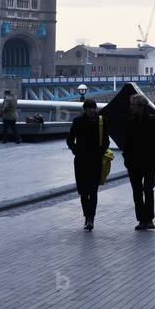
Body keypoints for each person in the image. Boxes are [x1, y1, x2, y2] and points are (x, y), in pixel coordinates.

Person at [122, 94, 155, 230]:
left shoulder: (154, 121)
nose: (131, 107)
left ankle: (149, 219)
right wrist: (127, 159)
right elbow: (126, 144)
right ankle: (142, 219)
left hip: (150, 162)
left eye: (133, 105)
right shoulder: (129, 122)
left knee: (148, 189)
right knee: (137, 192)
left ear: (141, 107)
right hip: (134, 163)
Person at [66, 99, 109, 231]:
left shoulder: (101, 121)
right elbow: (70, 139)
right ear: (84, 109)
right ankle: (87, 217)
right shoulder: (77, 121)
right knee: (83, 191)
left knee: (93, 190)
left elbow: (106, 141)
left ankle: (91, 218)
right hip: (81, 160)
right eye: (89, 108)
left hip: (95, 160)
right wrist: (76, 151)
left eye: (93, 108)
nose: (91, 110)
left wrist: (99, 153)